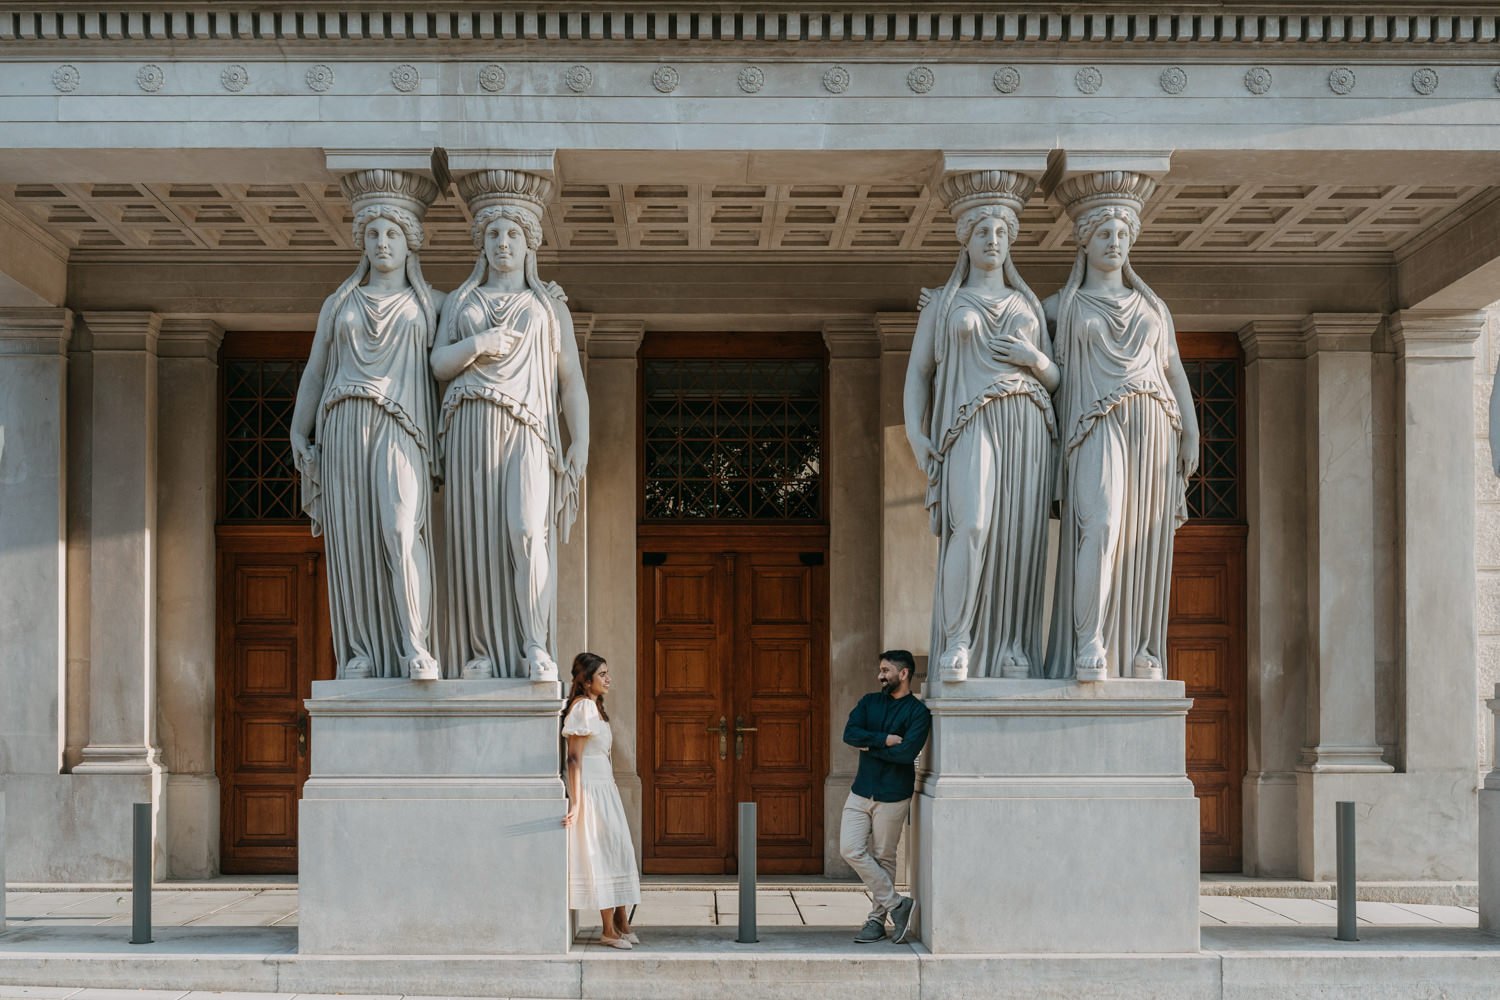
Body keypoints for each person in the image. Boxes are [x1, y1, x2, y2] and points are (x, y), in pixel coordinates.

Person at [432, 168, 589, 683]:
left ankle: (534, 644)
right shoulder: (460, 303)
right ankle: (481, 652)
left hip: (530, 429)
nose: (503, 242)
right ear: (482, 243)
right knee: (475, 539)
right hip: (471, 425)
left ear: (529, 243)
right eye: (494, 233)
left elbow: (571, 381)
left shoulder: (547, 305)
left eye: (513, 233)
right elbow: (436, 365)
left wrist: (580, 440)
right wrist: (479, 344)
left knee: (526, 531)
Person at [1043, 173, 1200, 682]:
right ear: (1084, 238)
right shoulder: (1060, 306)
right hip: (1093, 423)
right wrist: (943, 304)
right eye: (1106, 232)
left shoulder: (1154, 307)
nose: (1115, 242)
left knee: (1146, 536)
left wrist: (1193, 431)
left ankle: (1140, 648)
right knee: (1103, 526)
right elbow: (1002, 311)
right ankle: (1089, 639)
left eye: (1123, 234)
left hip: (1155, 422)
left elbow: (1173, 369)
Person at [290, 169, 444, 680]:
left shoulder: (431, 303)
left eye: (392, 233)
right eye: (373, 233)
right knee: (351, 539)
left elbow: (483, 323)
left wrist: (546, 300)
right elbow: (314, 370)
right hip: (342, 424)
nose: (382, 242)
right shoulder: (339, 303)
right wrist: (297, 429)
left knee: (401, 530)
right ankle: (359, 653)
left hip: (402, 427)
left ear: (409, 242)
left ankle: (415, 644)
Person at [905, 171, 1058, 682]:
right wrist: (915, 433)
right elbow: (918, 376)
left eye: (1001, 233)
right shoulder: (945, 303)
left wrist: (1035, 357)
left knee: (1019, 537)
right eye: (983, 232)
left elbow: (1056, 377)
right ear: (965, 239)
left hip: (1027, 421)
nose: (992, 241)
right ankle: (958, 640)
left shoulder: (1029, 305)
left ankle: (1013, 647)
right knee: (971, 525)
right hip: (969, 421)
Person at [840, 649, 931, 944]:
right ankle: (898, 905)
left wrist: (870, 747)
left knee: (884, 857)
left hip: (893, 794)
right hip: (861, 790)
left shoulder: (918, 712)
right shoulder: (869, 702)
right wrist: (884, 740)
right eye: (880, 670)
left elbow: (906, 754)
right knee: (850, 849)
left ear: (903, 674)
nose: (880, 675)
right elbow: (850, 735)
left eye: (886, 670)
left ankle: (876, 920)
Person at [561, 652, 642, 949]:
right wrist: (578, 802)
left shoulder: (595, 708)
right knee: (603, 853)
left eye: (608, 673)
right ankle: (607, 929)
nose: (608, 679)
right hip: (592, 790)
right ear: (587, 680)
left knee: (617, 848)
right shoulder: (583, 708)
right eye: (602, 674)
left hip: (606, 787)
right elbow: (573, 758)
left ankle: (622, 922)